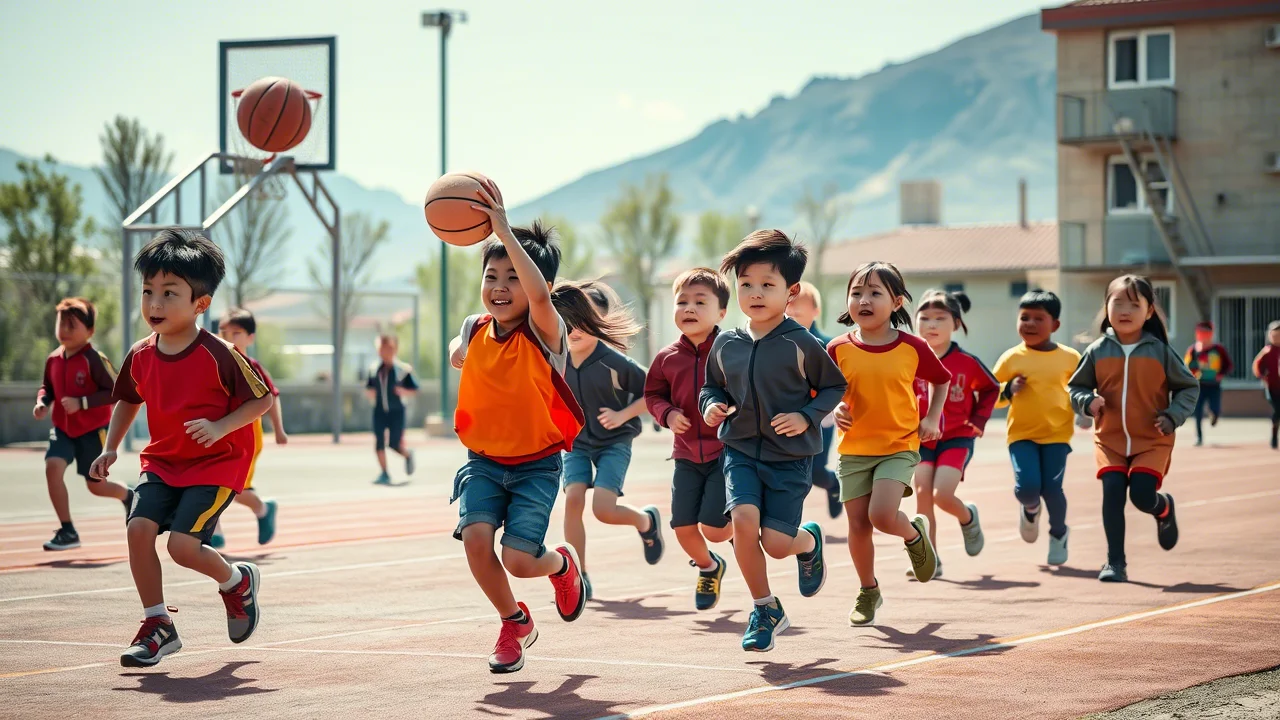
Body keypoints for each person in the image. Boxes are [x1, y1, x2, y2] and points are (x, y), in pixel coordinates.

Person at [89, 229, 273, 667]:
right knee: (138, 531)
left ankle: (236, 582)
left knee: (182, 548)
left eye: (169, 293)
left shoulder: (219, 352)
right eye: (148, 291)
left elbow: (262, 398)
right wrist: (111, 448)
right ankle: (158, 625)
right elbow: (129, 400)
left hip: (216, 465)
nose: (155, 303)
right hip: (163, 462)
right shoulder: (140, 354)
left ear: (200, 304)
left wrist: (221, 426)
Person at [445, 183, 590, 674]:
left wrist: (503, 230)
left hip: (536, 466)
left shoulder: (546, 329)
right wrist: (457, 351)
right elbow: (457, 348)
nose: (500, 286)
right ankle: (514, 620)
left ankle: (562, 565)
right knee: (476, 542)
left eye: (512, 276)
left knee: (520, 561)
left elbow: (539, 296)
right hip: (483, 462)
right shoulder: (475, 327)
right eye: (491, 275)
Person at [700, 230, 846, 653]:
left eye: (768, 285)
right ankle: (765, 608)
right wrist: (711, 405)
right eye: (746, 284)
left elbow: (834, 388)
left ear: (791, 291)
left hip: (790, 459)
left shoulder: (802, 342)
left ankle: (808, 541)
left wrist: (806, 416)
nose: (756, 293)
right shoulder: (726, 342)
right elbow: (713, 387)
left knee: (778, 545)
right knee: (743, 522)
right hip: (740, 450)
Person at [828, 262, 950, 627]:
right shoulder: (836, 348)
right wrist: (834, 408)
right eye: (856, 293)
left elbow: (940, 381)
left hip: (899, 445)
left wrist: (931, 419)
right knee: (858, 525)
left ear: (896, 302)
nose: (864, 300)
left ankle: (914, 534)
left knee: (881, 516)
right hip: (853, 450)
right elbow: (822, 392)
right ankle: (869, 590)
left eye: (875, 293)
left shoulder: (913, 347)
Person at [1069, 275, 1198, 583]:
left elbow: (1188, 388)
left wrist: (1172, 415)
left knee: (1141, 496)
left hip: (1152, 440)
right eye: (1118, 302)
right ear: (1106, 307)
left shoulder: (1161, 351)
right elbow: (1076, 387)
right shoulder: (1098, 350)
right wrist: (1087, 401)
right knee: (1112, 493)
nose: (1125, 310)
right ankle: (1115, 562)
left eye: (1134, 304)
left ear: (1149, 311)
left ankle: (1163, 508)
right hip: (1109, 440)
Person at [557, 279, 659, 601]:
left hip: (614, 442)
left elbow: (653, 393)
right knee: (573, 499)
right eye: (568, 320)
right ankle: (579, 576)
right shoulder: (554, 359)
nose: (574, 329)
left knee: (603, 509)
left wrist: (623, 415)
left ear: (601, 323)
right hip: (575, 442)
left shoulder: (615, 362)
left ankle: (645, 520)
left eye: (584, 321)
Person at [645, 267, 734, 610]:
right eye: (682, 301)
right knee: (683, 527)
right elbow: (653, 394)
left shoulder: (732, 351)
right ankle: (710, 567)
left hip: (725, 452)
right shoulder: (666, 358)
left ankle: (741, 522)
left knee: (713, 529)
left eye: (700, 301)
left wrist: (729, 408)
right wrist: (667, 414)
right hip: (684, 455)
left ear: (721, 312)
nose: (689, 308)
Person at [906, 289, 996, 579]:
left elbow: (991, 388)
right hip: (921, 438)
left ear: (955, 323)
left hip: (957, 437)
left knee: (942, 495)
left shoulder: (967, 362)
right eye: (925, 317)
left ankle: (967, 517)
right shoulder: (909, 359)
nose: (931, 324)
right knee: (922, 493)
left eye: (940, 318)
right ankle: (930, 560)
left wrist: (978, 420)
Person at [33, 297, 134, 550]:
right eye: (61, 324)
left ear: (89, 331)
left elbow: (116, 390)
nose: (64, 330)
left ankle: (129, 496)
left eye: (72, 325)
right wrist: (43, 402)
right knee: (52, 467)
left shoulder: (94, 359)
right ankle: (67, 531)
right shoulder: (53, 360)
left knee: (96, 487)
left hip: (93, 431)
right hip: (62, 430)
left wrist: (83, 403)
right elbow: (47, 387)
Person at [993, 290, 1081, 567]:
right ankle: (1031, 510)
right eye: (1024, 318)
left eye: (1038, 319)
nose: (1029, 324)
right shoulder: (1011, 358)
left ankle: (1058, 533)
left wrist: (1087, 411)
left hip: (1057, 434)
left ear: (1055, 325)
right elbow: (988, 396)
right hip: (1021, 434)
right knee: (1027, 488)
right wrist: (1007, 389)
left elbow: (1083, 388)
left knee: (1053, 490)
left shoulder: (1070, 358)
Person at [210, 308, 286, 548]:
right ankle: (215, 530)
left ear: (250, 338)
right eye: (223, 332)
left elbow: (271, 398)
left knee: (234, 489)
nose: (228, 337)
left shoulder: (253, 367)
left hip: (247, 438)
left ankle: (263, 509)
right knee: (210, 482)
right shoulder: (214, 366)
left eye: (236, 333)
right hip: (219, 435)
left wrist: (279, 429)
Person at [786, 281, 842, 520]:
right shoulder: (779, 344)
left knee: (815, 472)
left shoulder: (829, 347)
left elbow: (838, 386)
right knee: (790, 472)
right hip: (787, 419)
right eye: (789, 312)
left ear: (815, 312)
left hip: (821, 421)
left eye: (799, 312)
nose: (792, 316)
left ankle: (832, 484)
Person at [367, 334, 418, 485]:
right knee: (379, 442)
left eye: (388, 349)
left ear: (394, 349)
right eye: (382, 349)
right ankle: (384, 472)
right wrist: (371, 393)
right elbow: (369, 387)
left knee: (394, 444)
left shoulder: (402, 370)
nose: (385, 352)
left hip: (397, 412)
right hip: (379, 411)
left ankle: (408, 455)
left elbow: (415, 389)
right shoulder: (374, 369)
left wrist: (403, 391)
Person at [1184, 321, 1233, 446]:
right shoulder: (1193, 350)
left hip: (1214, 385)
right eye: (1200, 333)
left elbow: (1228, 365)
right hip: (1198, 385)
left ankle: (1214, 415)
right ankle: (1199, 437)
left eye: (1206, 333)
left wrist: (1220, 374)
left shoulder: (1218, 349)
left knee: (1215, 408)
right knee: (1198, 411)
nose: (1203, 336)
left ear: (1211, 334)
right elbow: (1187, 366)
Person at [1252, 320, 1280, 449]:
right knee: (1277, 411)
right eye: (1274, 335)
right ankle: (1274, 436)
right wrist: (1262, 377)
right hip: (1272, 388)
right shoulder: (1267, 351)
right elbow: (1257, 367)